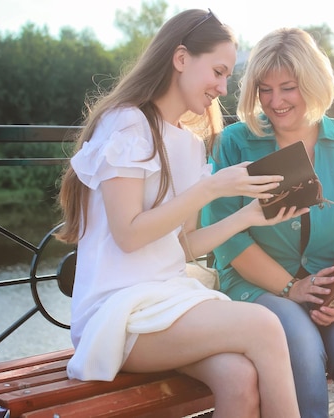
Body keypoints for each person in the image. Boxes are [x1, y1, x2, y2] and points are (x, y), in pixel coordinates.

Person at [55, 9, 303, 418]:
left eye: (228, 77)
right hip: (118, 313)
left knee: (239, 378)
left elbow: (183, 246)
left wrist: (248, 217)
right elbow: (129, 236)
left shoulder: (189, 145)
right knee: (265, 325)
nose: (223, 88)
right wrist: (211, 187)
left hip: (168, 300)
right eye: (218, 72)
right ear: (182, 58)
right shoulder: (127, 125)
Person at [203, 27, 334, 418]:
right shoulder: (234, 142)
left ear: (312, 84)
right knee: (299, 349)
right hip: (257, 284)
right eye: (265, 89)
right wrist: (291, 287)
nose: (274, 101)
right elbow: (228, 237)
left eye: (288, 87)